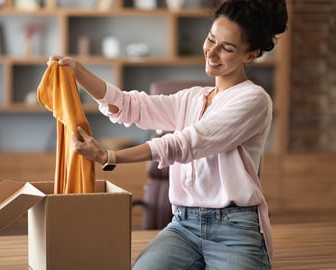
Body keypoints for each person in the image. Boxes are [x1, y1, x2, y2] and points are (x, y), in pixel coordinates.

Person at [48, 0, 288, 268]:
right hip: (183, 227)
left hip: (234, 229)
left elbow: (185, 144)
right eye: (211, 40)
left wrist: (108, 156)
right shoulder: (192, 98)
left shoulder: (253, 100)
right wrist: (80, 72)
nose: (212, 52)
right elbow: (129, 105)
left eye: (227, 48)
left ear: (251, 54)